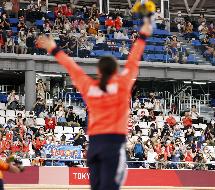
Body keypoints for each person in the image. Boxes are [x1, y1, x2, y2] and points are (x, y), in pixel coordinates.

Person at [36, 19, 152, 190]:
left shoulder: (89, 86)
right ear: (115, 71)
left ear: (98, 72)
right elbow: (133, 59)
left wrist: (53, 48)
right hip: (113, 145)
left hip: (95, 146)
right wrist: (143, 35)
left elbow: (71, 66)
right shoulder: (123, 84)